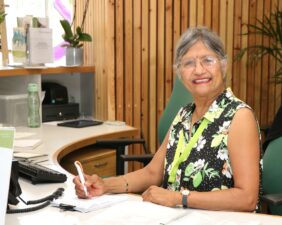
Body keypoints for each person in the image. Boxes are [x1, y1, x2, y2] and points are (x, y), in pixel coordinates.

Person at [73, 26, 262, 212]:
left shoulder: (239, 116)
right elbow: (153, 172)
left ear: (223, 65)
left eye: (208, 60)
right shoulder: (184, 114)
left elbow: (247, 198)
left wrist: (179, 198)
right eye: (189, 63)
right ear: (180, 73)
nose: (198, 70)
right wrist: (105, 185)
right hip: (176, 216)